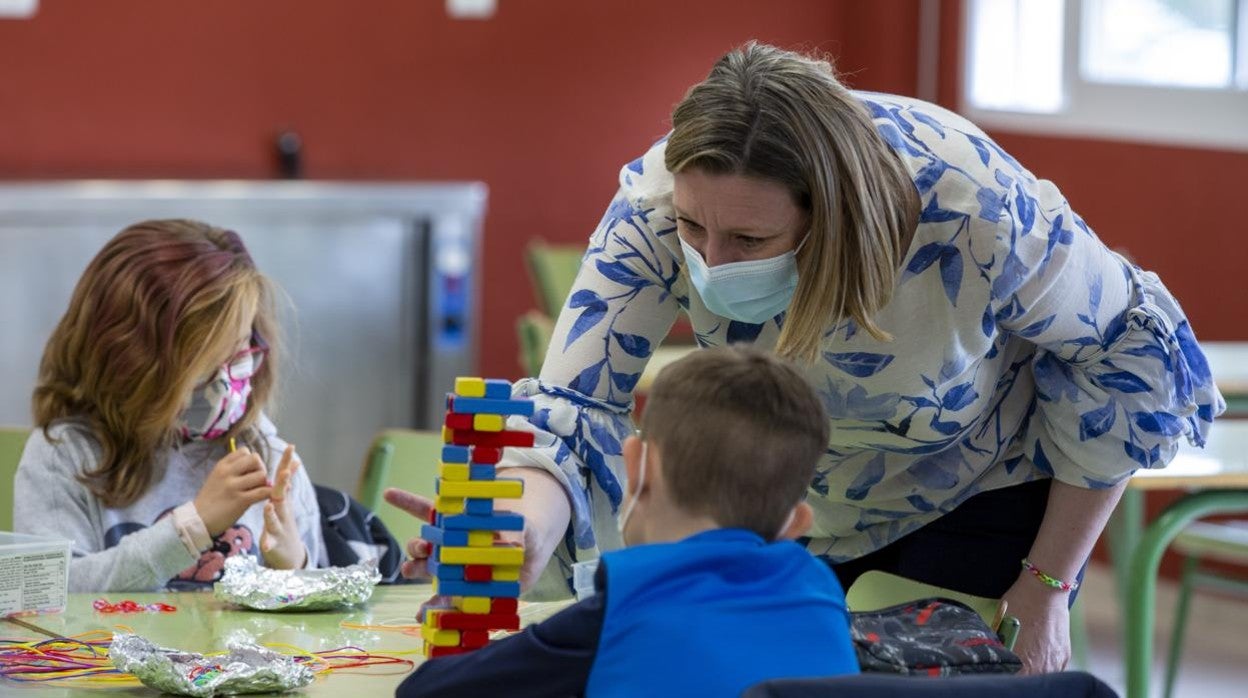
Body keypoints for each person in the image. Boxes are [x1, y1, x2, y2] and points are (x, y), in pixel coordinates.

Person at [386, 42, 1225, 673]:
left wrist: (1049, 587)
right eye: (694, 229)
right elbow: (577, 406)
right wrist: (524, 529)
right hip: (786, 495)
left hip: (980, 483)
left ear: (832, 218)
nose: (711, 258)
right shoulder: (650, 204)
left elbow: (1127, 361)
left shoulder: (974, 210)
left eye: (750, 237)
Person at [395, 346, 858, 698]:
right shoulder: (821, 596)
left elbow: (427, 692)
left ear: (635, 467)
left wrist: (462, 607)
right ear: (796, 523)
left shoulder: (620, 609)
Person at [15, 219, 323, 592]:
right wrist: (192, 527)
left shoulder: (270, 457)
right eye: (205, 365)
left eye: (240, 351)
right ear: (131, 363)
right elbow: (49, 598)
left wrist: (296, 565)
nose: (226, 384)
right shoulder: (64, 458)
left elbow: (318, 626)